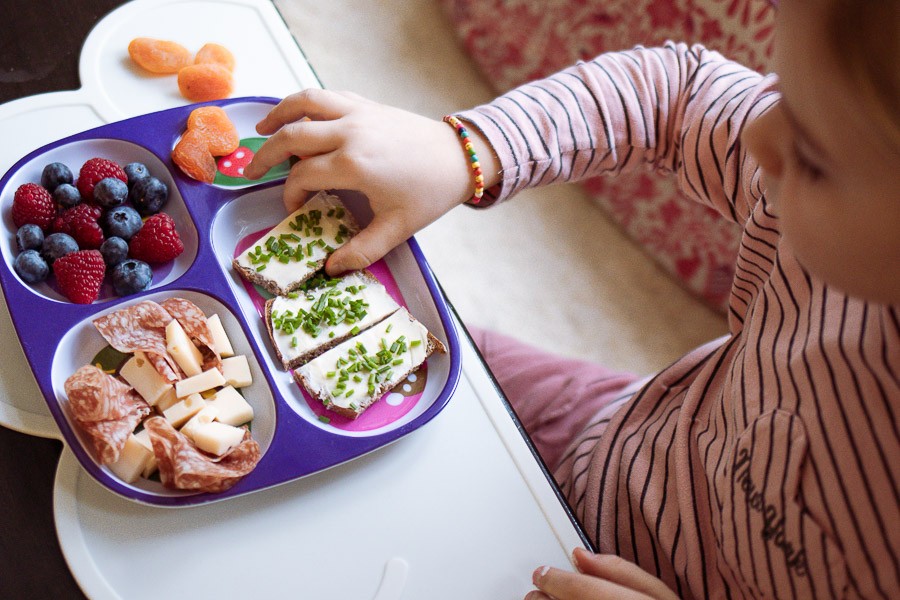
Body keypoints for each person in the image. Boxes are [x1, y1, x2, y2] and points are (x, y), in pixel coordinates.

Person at [245, 0, 900, 597]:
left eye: (813, 155)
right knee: (422, 360)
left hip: (587, 568)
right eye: (784, 92)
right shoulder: (804, 154)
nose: (760, 140)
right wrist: (466, 149)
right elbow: (677, 94)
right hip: (609, 433)